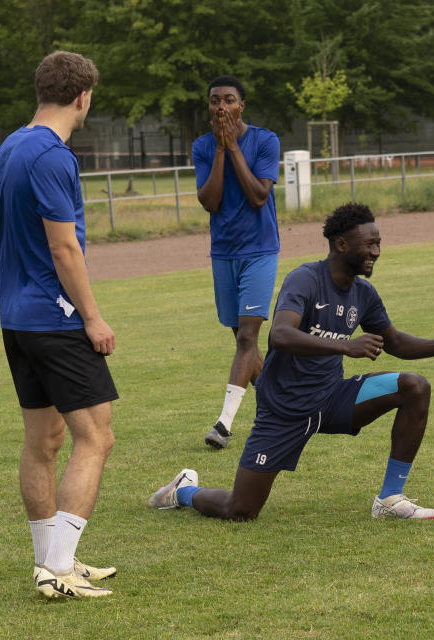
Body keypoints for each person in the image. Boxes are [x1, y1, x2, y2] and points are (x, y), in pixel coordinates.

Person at [147, 202, 434, 521]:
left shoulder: (364, 294)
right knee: (240, 510)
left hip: (332, 399)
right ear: (341, 244)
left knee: (414, 386)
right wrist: (345, 346)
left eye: (378, 243)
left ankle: (389, 499)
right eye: (369, 244)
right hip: (284, 410)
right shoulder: (305, 279)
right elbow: (281, 335)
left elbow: (395, 341)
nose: (377, 251)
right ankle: (183, 490)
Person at [0, 50, 118, 598]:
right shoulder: (51, 154)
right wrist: (92, 317)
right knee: (97, 436)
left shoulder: (11, 146)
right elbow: (64, 248)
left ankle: (52, 559)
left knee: (44, 439)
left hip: (17, 318)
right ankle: (58, 567)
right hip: (56, 317)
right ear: (82, 95)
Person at [192, 75, 281, 450]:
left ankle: (223, 426)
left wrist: (235, 149)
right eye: (215, 101)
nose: (221, 107)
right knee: (244, 343)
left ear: (241, 105)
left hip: (260, 251)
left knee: (248, 337)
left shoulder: (265, 140)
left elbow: (259, 195)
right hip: (223, 253)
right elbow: (210, 201)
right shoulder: (201, 146)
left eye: (229, 100)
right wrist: (219, 150)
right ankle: (282, 406)